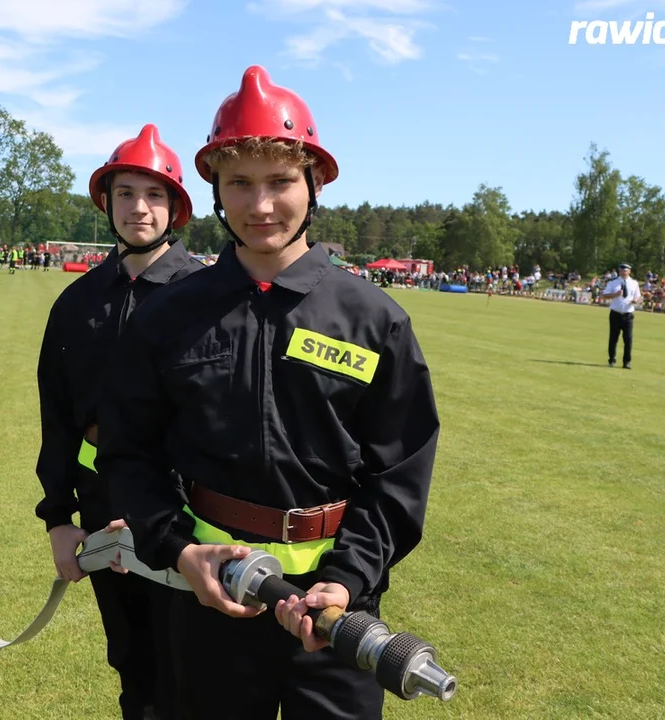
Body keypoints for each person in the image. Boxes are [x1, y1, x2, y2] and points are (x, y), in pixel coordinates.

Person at [97, 66, 440, 720]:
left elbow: (398, 473)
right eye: (239, 183)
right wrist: (179, 549)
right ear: (216, 192)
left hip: (337, 614)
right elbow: (126, 453)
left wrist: (346, 578)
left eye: (280, 181)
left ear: (315, 182)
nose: (260, 206)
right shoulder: (168, 318)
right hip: (208, 606)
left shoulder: (374, 320)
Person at [34, 124, 203, 720]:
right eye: (125, 192)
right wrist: (58, 518)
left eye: (154, 194)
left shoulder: (207, 296)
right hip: (102, 510)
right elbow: (56, 418)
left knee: (195, 669)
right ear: (106, 203)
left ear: (176, 207)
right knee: (133, 664)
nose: (139, 207)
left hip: (189, 514)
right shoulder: (77, 303)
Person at [600, 262, 642, 369]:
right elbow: (604, 296)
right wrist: (615, 294)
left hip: (628, 314)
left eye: (625, 270)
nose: (623, 272)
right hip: (615, 314)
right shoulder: (613, 283)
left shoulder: (634, 283)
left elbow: (638, 296)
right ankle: (611, 360)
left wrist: (635, 300)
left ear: (629, 271)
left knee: (628, 339)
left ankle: (626, 362)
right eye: (621, 270)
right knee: (613, 338)